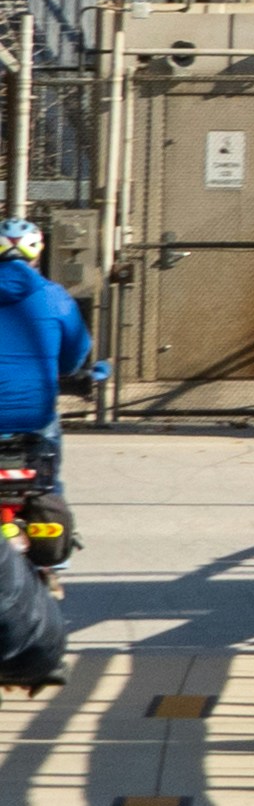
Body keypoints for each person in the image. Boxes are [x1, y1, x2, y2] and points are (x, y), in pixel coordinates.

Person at [0, 218, 92, 555]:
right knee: (48, 477)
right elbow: (76, 353)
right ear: (37, 253)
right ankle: (55, 560)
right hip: (34, 415)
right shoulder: (55, 296)